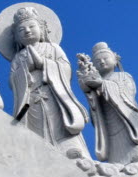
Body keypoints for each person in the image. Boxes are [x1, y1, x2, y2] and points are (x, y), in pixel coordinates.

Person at [8, 6, 89, 158]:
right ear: (16, 37)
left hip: (54, 95)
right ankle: (39, 154)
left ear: (42, 28)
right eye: (21, 30)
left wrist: (44, 64)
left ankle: (70, 148)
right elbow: (12, 81)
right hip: (31, 100)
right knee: (34, 128)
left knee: (60, 121)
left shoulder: (53, 48)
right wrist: (25, 70)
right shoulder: (18, 58)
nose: (27, 31)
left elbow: (66, 68)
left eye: (32, 26)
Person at [78, 42, 138, 165]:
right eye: (97, 61)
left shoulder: (123, 76)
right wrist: (89, 91)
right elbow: (95, 107)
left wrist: (103, 85)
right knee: (115, 157)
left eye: (105, 58)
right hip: (109, 124)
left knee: (136, 152)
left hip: (127, 121)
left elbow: (128, 93)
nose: (102, 62)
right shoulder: (97, 83)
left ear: (115, 60)